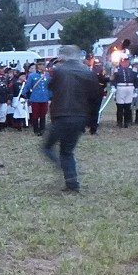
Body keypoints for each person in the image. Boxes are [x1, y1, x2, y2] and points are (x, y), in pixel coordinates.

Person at [41, 45, 102, 192]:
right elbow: (96, 98)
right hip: (80, 116)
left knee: (48, 147)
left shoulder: (59, 71)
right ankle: (72, 182)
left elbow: (50, 86)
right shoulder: (87, 73)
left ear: (63, 56)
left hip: (62, 115)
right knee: (67, 151)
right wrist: (93, 122)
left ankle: (64, 170)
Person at [22, 59, 51, 136]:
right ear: (37, 66)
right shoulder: (32, 76)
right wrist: (23, 94)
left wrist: (51, 96)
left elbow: (50, 86)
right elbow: (27, 86)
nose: (42, 66)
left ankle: (42, 129)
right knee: (35, 114)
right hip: (35, 98)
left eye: (43, 65)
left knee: (43, 114)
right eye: (40, 65)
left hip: (44, 97)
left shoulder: (47, 75)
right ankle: (36, 130)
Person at [111, 47, 138, 128]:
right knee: (120, 106)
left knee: (127, 106)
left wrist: (135, 89)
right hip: (120, 87)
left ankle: (127, 122)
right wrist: (113, 86)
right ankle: (119, 122)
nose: (126, 62)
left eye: (127, 61)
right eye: (124, 61)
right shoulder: (117, 70)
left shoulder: (132, 70)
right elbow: (114, 79)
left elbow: (135, 80)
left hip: (130, 87)